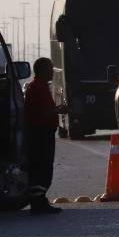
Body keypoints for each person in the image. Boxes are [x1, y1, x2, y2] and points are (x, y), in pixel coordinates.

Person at [24, 58, 67, 215]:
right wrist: (59, 110)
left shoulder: (38, 86)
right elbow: (44, 113)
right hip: (40, 133)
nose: (52, 72)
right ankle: (38, 203)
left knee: (40, 168)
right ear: (42, 70)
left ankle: (40, 201)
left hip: (41, 132)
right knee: (42, 168)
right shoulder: (38, 88)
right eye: (49, 68)